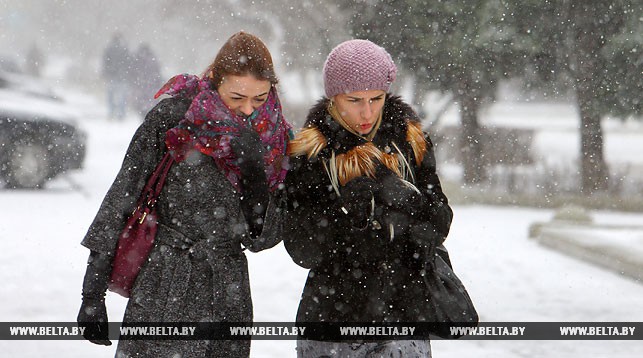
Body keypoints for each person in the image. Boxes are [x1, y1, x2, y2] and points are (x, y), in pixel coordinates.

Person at [77, 31, 292, 357]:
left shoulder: (273, 139)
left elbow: (262, 238)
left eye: (259, 99)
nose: (248, 109)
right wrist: (92, 294)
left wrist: (255, 178)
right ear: (216, 81)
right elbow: (123, 195)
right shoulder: (174, 120)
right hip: (165, 286)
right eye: (237, 97)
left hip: (228, 296)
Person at [283, 39, 453, 357]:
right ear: (334, 97)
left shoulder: (412, 142)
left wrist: (410, 204)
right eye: (355, 100)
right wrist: (344, 212)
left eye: (376, 98)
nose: (367, 111)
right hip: (332, 317)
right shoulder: (311, 153)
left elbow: (440, 221)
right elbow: (300, 247)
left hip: (403, 316)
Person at [102, 32, 131, 120]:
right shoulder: (124, 49)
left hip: (112, 76)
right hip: (123, 76)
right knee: (122, 96)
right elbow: (128, 62)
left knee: (111, 95)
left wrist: (105, 73)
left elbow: (105, 62)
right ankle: (121, 113)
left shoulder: (109, 49)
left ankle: (111, 112)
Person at [130, 42, 163, 117]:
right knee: (150, 99)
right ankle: (149, 112)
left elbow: (133, 71)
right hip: (151, 83)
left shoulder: (137, 59)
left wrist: (134, 80)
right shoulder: (153, 59)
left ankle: (143, 112)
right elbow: (157, 71)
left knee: (142, 99)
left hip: (141, 83)